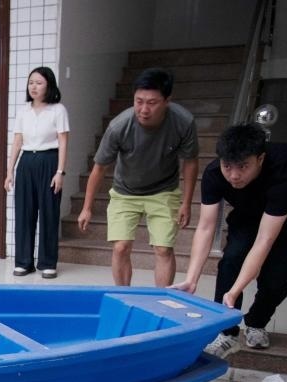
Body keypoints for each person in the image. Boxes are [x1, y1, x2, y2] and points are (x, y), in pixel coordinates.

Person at [173, 123, 287, 358]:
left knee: (274, 277)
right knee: (231, 259)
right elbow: (205, 227)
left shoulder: (286, 172)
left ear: (260, 159)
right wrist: (191, 279)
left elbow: (264, 240)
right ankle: (226, 332)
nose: (234, 175)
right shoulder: (215, 174)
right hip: (250, 208)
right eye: (228, 166)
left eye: (243, 166)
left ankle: (257, 322)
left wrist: (235, 290)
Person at [77, 68, 199, 286]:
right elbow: (99, 168)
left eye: (152, 103)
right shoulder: (119, 126)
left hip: (164, 191)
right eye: (139, 101)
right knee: (120, 247)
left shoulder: (183, 122)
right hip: (125, 191)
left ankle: (162, 299)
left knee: (163, 249)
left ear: (167, 101)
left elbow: (190, 162)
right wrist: (86, 207)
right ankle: (124, 295)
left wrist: (187, 203)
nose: (144, 109)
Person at [5, 66, 69, 279]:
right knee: (24, 212)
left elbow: (63, 141)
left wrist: (60, 172)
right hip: (26, 162)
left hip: (49, 161)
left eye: (39, 83)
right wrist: (10, 171)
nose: (34, 87)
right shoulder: (23, 111)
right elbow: (17, 142)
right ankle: (24, 262)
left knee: (49, 212)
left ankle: (48, 263)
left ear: (49, 86)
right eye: (31, 82)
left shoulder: (58, 110)